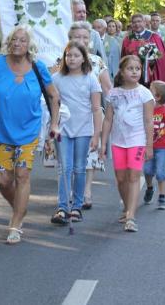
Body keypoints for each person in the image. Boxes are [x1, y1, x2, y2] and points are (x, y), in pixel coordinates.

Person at [0, 25, 60, 244]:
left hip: (29, 131)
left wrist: (54, 124)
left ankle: (16, 223)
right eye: (14, 40)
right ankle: (20, 206)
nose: (17, 44)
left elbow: (54, 96)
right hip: (3, 131)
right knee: (3, 180)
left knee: (22, 174)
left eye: (22, 40)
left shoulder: (38, 67)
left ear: (29, 45)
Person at [49, 41, 102, 225]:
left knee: (79, 168)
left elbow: (96, 109)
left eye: (76, 55)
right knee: (64, 168)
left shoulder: (90, 78)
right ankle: (62, 207)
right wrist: (52, 125)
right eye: (68, 55)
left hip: (84, 129)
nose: (71, 59)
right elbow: (51, 104)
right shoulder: (56, 78)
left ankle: (77, 207)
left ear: (83, 58)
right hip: (63, 129)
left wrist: (96, 134)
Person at [101, 55, 154, 233]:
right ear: (122, 72)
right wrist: (103, 144)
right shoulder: (113, 93)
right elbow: (108, 120)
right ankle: (126, 207)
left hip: (137, 141)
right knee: (121, 178)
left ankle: (131, 215)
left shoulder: (144, 93)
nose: (134, 71)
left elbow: (148, 121)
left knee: (133, 177)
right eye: (130, 68)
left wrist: (149, 145)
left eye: (137, 68)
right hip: (118, 142)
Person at [65, 22, 112, 210]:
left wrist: (119, 107)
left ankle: (86, 191)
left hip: (92, 114)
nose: (82, 41)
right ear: (70, 39)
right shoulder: (63, 61)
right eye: (77, 37)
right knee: (67, 157)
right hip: (67, 116)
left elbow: (108, 88)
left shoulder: (97, 61)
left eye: (85, 37)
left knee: (90, 155)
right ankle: (67, 190)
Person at [142, 80, 165, 210]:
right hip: (148, 146)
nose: (147, 92)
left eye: (150, 91)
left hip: (161, 148)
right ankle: (150, 188)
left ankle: (162, 197)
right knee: (147, 170)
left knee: (160, 172)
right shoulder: (147, 109)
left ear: (157, 97)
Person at [121, 13, 165, 86]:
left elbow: (161, 58)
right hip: (132, 74)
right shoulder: (127, 40)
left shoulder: (154, 37)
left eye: (139, 21)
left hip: (151, 75)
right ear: (131, 24)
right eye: (134, 22)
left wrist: (151, 61)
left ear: (144, 23)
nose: (137, 24)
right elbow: (123, 59)